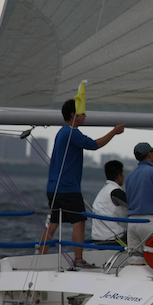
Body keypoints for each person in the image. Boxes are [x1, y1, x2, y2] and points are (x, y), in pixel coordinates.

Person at [41, 98, 125, 268]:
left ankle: (40, 257)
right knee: (79, 221)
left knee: (53, 223)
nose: (85, 116)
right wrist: (114, 132)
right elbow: (94, 145)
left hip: (54, 187)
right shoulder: (72, 132)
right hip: (68, 188)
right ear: (73, 115)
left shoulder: (62, 132)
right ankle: (78, 260)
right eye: (82, 113)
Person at [91, 160, 128, 246]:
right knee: (138, 235)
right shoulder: (116, 192)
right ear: (119, 176)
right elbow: (134, 204)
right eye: (123, 174)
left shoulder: (104, 190)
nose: (123, 176)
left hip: (97, 237)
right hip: (112, 238)